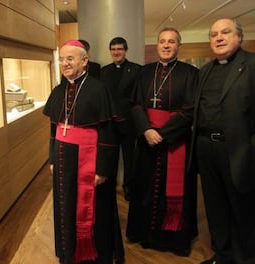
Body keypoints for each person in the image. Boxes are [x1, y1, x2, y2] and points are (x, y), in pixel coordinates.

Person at [43, 40, 124, 263]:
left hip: (90, 161)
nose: (65, 63)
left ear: (84, 61)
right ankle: (69, 253)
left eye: (70, 58)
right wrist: (52, 158)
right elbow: (53, 129)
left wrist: (102, 169)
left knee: (95, 209)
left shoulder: (99, 89)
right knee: (64, 207)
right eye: (61, 59)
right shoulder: (58, 91)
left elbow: (108, 134)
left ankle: (94, 255)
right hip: (62, 160)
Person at [125, 27, 199, 256]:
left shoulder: (190, 73)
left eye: (171, 42)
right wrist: (146, 129)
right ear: (156, 45)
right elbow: (134, 104)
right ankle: (143, 234)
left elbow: (190, 110)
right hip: (147, 141)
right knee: (144, 188)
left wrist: (164, 133)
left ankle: (174, 240)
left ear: (179, 46)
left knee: (175, 192)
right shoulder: (144, 72)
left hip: (175, 142)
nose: (166, 45)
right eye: (162, 41)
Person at [192, 18, 255, 264]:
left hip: (239, 149)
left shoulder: (251, 64)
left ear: (239, 37)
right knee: (215, 206)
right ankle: (223, 254)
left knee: (242, 206)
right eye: (214, 34)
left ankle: (247, 257)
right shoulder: (205, 71)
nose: (218, 38)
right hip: (206, 147)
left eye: (225, 32)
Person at [100, 37, 142, 201]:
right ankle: (109, 187)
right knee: (110, 157)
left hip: (129, 123)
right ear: (110, 51)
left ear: (125, 50)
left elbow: (138, 97)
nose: (116, 52)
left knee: (129, 159)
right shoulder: (104, 71)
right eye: (113, 49)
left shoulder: (137, 70)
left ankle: (129, 188)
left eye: (119, 49)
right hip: (109, 124)